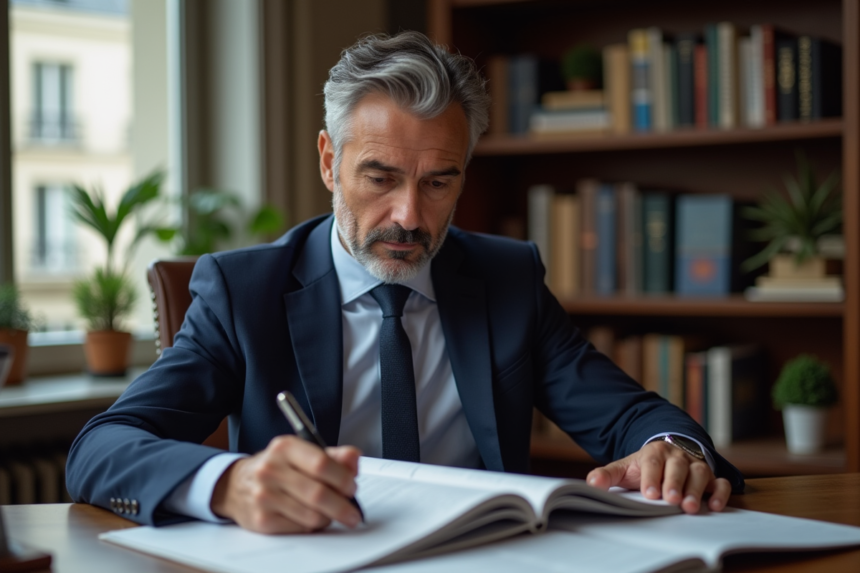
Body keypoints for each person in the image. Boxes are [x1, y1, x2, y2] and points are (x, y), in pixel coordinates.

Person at [66, 31, 743, 534]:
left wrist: (669, 452)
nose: (409, 217)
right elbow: (102, 447)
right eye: (380, 177)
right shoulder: (245, 293)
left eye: (438, 181)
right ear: (330, 162)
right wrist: (228, 484)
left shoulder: (507, 279)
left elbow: (632, 416)